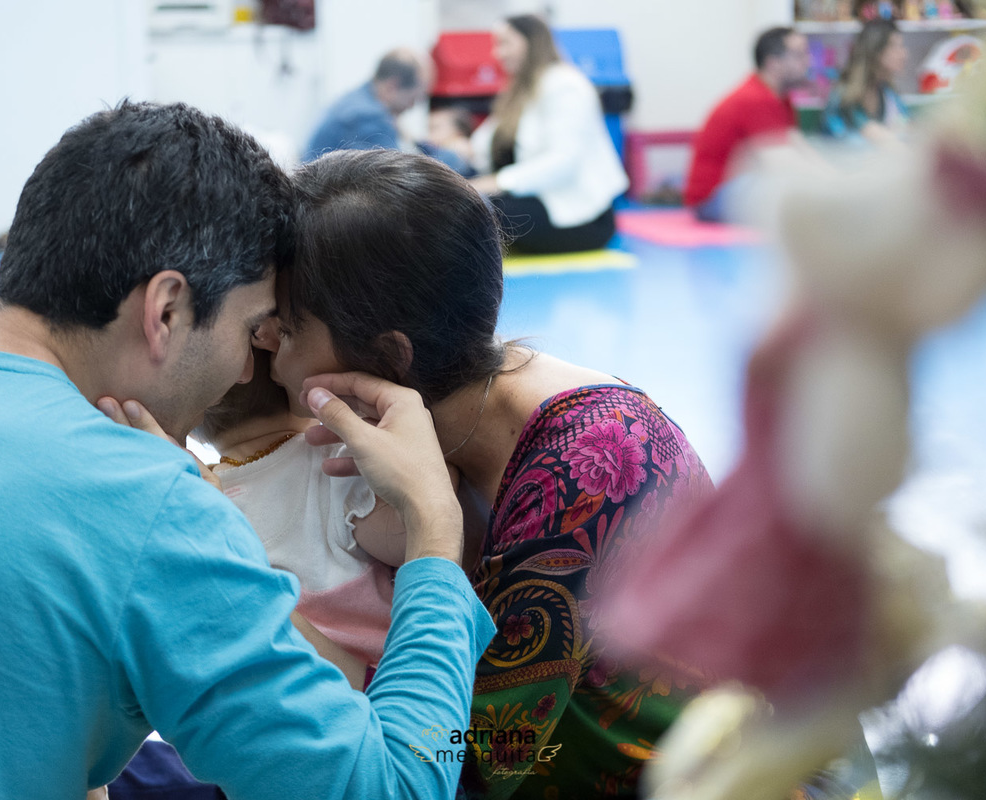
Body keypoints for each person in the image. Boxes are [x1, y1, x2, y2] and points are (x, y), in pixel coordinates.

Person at [0, 101, 493, 800]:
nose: (246, 371)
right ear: (167, 309)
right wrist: (434, 539)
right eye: (254, 326)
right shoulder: (152, 506)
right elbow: (396, 788)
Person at [271, 147, 713, 798]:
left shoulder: (589, 467)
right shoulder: (461, 419)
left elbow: (463, 758)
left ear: (390, 355)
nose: (266, 354)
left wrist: (261, 615)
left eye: (284, 331)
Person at [194, 350, 407, 686]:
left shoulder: (205, 499)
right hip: (389, 685)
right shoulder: (335, 461)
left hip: (293, 703)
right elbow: (412, 537)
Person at [468, 14, 628, 254]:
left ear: (531, 42)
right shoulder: (520, 91)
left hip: (579, 216)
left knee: (476, 210)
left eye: (505, 43)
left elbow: (563, 161)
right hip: (538, 201)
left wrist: (497, 183)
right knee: (462, 198)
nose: (497, 54)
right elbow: (484, 142)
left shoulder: (565, 85)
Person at [684, 26, 811, 223]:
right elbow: (783, 164)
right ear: (773, 62)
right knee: (793, 189)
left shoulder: (781, 99)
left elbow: (799, 147)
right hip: (712, 199)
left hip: (736, 187)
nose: (808, 62)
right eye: (799, 55)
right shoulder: (756, 98)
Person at [302, 48, 471, 175]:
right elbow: (401, 177)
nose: (411, 107)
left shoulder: (359, 99)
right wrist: (454, 157)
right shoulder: (369, 117)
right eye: (413, 99)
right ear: (392, 86)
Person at [822, 19, 910, 145]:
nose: (904, 54)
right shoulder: (844, 96)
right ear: (875, 51)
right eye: (895, 46)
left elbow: (906, 124)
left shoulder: (887, 92)